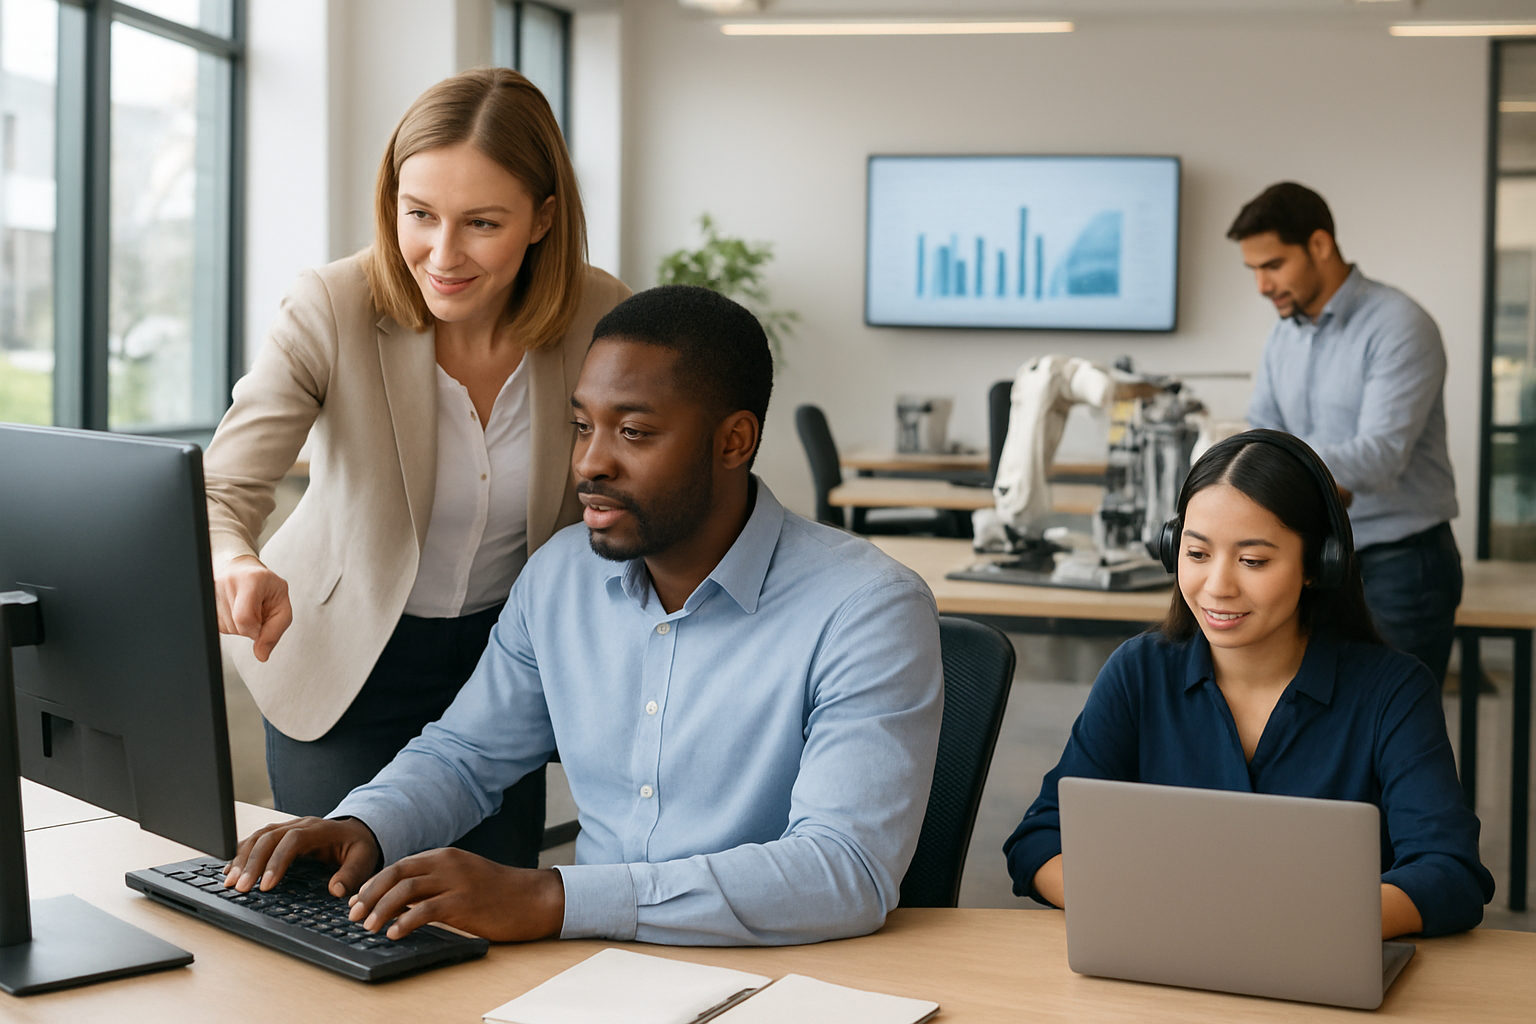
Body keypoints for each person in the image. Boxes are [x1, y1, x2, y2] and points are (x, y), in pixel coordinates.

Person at [220, 285, 945, 946]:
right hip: (583, 979)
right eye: (580, 425)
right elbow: (466, 756)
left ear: (734, 441)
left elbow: (846, 871)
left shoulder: (867, 609)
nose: (589, 464)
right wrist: (363, 826)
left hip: (776, 979)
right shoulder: (561, 577)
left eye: (633, 433)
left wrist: (556, 899)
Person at [202, 68, 630, 869]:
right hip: (344, 657)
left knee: (481, 915)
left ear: (542, 219)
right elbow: (223, 489)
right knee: (337, 908)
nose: (443, 254)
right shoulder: (331, 305)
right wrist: (234, 560)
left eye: (482, 223)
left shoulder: (600, 318)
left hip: (503, 671)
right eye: (420, 215)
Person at [1004, 430, 1493, 939]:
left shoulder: (1393, 692)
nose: (1218, 586)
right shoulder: (1139, 672)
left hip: (1318, 971)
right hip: (1164, 963)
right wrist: (1152, 910)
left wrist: (1284, 924)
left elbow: (1449, 872)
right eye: (1196, 554)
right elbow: (1040, 840)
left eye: (1253, 560)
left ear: (1318, 564)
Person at [1230, 182, 1462, 684]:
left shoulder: (1399, 325)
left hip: (1399, 566)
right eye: (1253, 271)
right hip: (1314, 557)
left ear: (1319, 245)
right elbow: (1262, 438)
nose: (1262, 287)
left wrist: (1287, 468)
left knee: (1394, 733)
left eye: (1272, 266)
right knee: (1321, 730)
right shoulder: (1283, 335)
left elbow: (1379, 457)